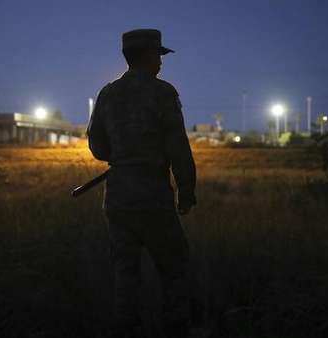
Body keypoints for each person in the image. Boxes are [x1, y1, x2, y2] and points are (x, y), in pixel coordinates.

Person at [87, 28, 197, 338]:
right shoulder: (163, 93)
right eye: (158, 57)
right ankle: (176, 329)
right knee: (174, 267)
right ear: (148, 56)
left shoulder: (107, 94)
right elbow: (178, 146)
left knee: (125, 273)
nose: (161, 64)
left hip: (118, 197)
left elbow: (97, 148)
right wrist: (186, 190)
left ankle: (126, 328)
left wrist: (123, 156)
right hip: (153, 196)